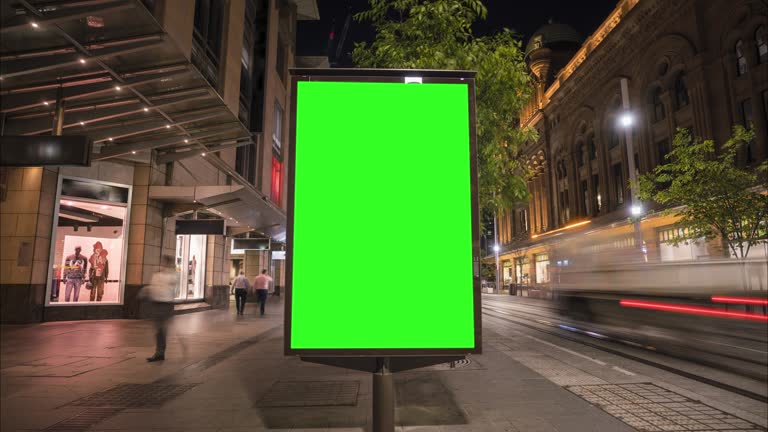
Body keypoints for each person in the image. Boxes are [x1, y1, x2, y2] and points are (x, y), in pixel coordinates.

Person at [139, 255, 177, 362]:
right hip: (156, 303)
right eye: (163, 262)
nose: (163, 264)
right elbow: (154, 287)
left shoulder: (171, 276)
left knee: (160, 329)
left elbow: (167, 287)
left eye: (165, 262)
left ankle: (160, 352)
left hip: (165, 304)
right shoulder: (158, 274)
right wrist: (146, 291)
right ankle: (159, 352)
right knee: (159, 329)